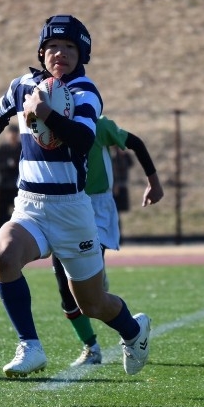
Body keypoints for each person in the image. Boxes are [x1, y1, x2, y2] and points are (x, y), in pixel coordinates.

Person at [0, 14, 151, 377]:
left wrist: (46, 113)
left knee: (92, 304)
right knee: (4, 255)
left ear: (82, 55)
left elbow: (83, 140)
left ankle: (134, 330)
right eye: (52, 46)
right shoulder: (23, 85)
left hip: (72, 210)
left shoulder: (85, 91)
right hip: (30, 205)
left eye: (69, 47)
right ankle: (30, 346)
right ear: (41, 52)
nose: (60, 53)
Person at [54, 115, 164, 366]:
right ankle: (91, 347)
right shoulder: (49, 126)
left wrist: (154, 182)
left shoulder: (98, 124)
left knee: (88, 289)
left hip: (96, 208)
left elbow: (135, 142)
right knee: (65, 290)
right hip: (64, 208)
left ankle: (101, 284)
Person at [0, 124, 22, 232]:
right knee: (2, 212)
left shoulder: (22, 148)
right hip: (4, 185)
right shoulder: (3, 149)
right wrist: (7, 165)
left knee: (20, 213)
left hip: (19, 187)